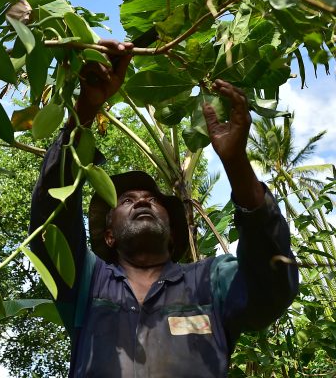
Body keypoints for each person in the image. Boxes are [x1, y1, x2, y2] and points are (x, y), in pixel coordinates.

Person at [30, 41, 299, 377]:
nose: (142, 200)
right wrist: (84, 111)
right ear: (109, 236)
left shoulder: (210, 280)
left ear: (172, 232)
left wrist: (236, 163)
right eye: (126, 201)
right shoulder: (86, 283)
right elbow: (50, 218)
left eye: (153, 200)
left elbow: (271, 289)